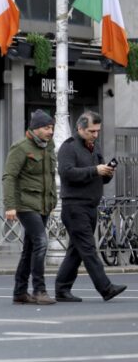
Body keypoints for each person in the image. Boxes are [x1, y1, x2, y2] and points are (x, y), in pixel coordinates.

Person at [54, 111, 127, 302]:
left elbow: (99, 178)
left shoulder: (95, 147)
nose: (95, 135)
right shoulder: (68, 147)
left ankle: (62, 289)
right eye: (91, 131)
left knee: (76, 251)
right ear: (80, 128)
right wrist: (95, 170)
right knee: (88, 249)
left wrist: (107, 172)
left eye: (97, 131)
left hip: (90, 206)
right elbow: (67, 173)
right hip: (74, 206)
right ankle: (106, 288)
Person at [2, 109, 57, 305]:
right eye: (46, 128)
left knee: (30, 248)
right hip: (25, 204)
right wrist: (10, 206)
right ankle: (39, 290)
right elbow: (9, 177)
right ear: (35, 129)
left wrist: (53, 200)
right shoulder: (21, 147)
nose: (50, 131)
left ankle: (20, 291)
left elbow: (50, 177)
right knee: (41, 242)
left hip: (43, 205)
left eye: (52, 127)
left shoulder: (49, 147)